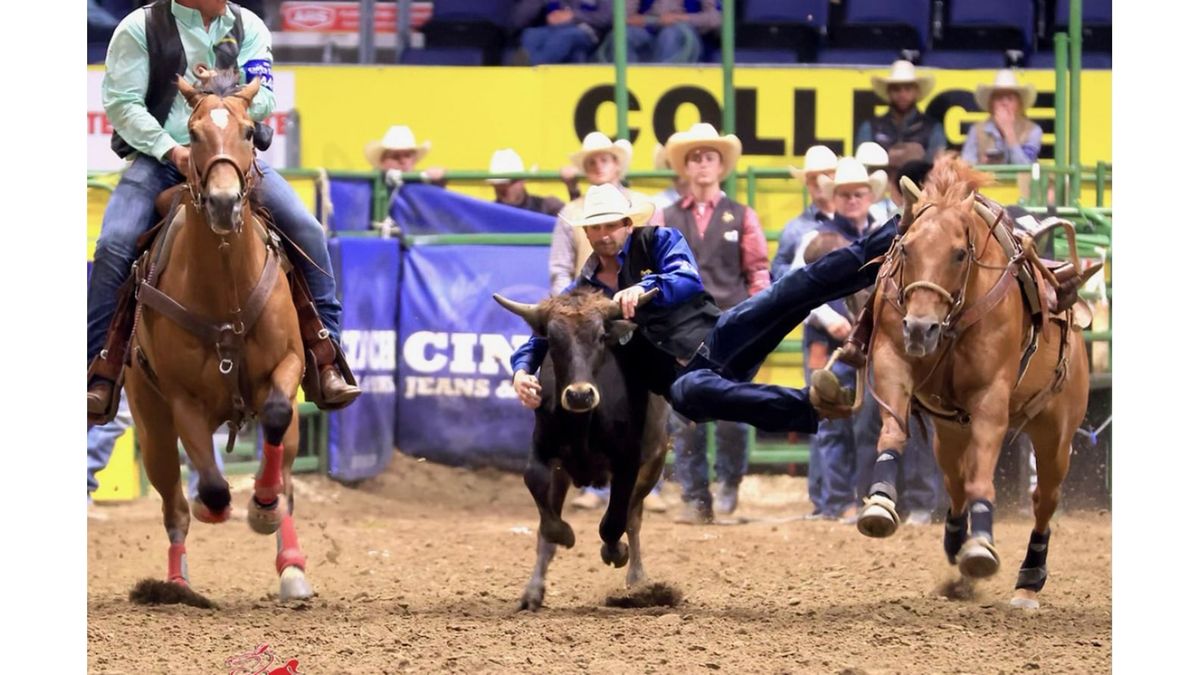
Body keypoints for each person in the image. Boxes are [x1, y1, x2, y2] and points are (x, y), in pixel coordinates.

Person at [87, 0, 360, 425]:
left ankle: (326, 358)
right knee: (113, 245)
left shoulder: (248, 25)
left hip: (232, 156)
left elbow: (265, 96)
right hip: (160, 158)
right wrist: (172, 149)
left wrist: (227, 89)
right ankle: (100, 369)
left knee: (307, 230)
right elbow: (123, 104)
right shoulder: (139, 27)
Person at [511, 184, 723, 511]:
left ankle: (694, 494)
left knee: (695, 408)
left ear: (628, 224)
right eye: (595, 227)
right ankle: (612, 482)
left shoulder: (660, 241)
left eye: (611, 225)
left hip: (678, 348)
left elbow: (686, 277)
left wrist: (644, 287)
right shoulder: (579, 290)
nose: (604, 234)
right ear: (587, 233)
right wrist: (521, 371)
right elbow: (544, 336)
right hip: (631, 367)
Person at [662, 123, 769, 523]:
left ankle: (728, 485)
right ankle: (694, 496)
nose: (702, 164)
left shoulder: (742, 216)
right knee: (683, 417)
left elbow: (757, 271)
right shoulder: (667, 216)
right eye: (695, 158)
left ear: (721, 166)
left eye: (709, 157)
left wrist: (759, 315)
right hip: (682, 330)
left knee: (731, 416)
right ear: (686, 168)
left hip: (732, 327)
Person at [855, 60, 947, 163]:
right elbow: (862, 168)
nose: (902, 95)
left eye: (907, 89)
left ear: (916, 91)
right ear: (888, 92)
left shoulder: (933, 128)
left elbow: (937, 169)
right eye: (896, 89)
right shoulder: (869, 128)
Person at [771, 145, 838, 281]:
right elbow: (777, 268)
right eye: (813, 178)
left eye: (825, 175)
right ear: (807, 182)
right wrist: (800, 275)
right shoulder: (794, 229)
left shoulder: (855, 219)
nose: (819, 182)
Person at [962, 70, 1042, 167]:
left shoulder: (1033, 131)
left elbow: (1026, 168)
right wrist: (980, 164)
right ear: (991, 104)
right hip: (988, 181)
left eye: (1010, 99)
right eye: (999, 98)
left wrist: (1009, 133)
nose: (1004, 103)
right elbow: (965, 167)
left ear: (1019, 104)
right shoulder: (976, 130)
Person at [603, 0, 721, 63]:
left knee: (670, 35)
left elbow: (716, 19)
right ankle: (630, 85)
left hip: (689, 38)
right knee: (624, 35)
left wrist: (681, 18)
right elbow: (623, 17)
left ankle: (660, 82)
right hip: (649, 33)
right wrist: (657, 21)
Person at [513, 0, 612, 65]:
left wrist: (573, 16)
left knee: (564, 37)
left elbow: (605, 18)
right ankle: (525, 66)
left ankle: (532, 67)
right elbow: (519, 20)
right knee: (531, 35)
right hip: (557, 28)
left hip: (587, 30)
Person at [485, 148, 566, 216]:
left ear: (522, 180)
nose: (503, 189)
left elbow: (574, 223)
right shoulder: (487, 213)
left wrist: (572, 189)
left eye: (509, 183)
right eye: (498, 185)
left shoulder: (547, 206)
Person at [365, 124, 447, 189]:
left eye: (407, 155)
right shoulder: (369, 184)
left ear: (414, 160)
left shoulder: (422, 182)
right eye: (395, 156)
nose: (402, 160)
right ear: (382, 161)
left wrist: (439, 180)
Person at [649, 143, 688, 212]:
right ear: (667, 165)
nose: (679, 166)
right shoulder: (657, 204)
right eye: (674, 161)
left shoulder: (708, 201)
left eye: (685, 161)